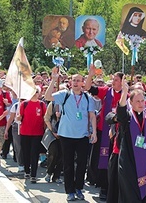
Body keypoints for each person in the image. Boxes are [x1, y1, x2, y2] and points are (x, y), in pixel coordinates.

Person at [45, 70, 97, 201]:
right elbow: (47, 97)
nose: (76, 82)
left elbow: (92, 116)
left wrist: (94, 132)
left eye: (78, 80)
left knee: (81, 164)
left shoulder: (87, 97)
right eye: (74, 80)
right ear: (70, 82)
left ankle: (79, 188)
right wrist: (53, 79)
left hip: (82, 136)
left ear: (82, 83)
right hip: (66, 135)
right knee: (68, 164)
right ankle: (70, 191)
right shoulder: (64, 94)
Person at [85, 68, 124, 201]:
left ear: (122, 82)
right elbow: (88, 87)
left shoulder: (127, 95)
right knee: (102, 159)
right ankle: (103, 187)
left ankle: (115, 188)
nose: (113, 82)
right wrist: (90, 74)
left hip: (120, 134)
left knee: (115, 162)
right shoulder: (106, 91)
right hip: (104, 132)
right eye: (113, 79)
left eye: (116, 80)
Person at [18, 86, 47, 184]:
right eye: (33, 92)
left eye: (37, 92)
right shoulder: (24, 104)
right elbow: (19, 117)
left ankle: (33, 175)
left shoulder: (42, 104)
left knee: (34, 154)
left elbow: (45, 118)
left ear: (39, 93)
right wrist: (18, 118)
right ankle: (27, 171)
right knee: (26, 153)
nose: (35, 93)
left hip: (37, 133)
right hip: (25, 132)